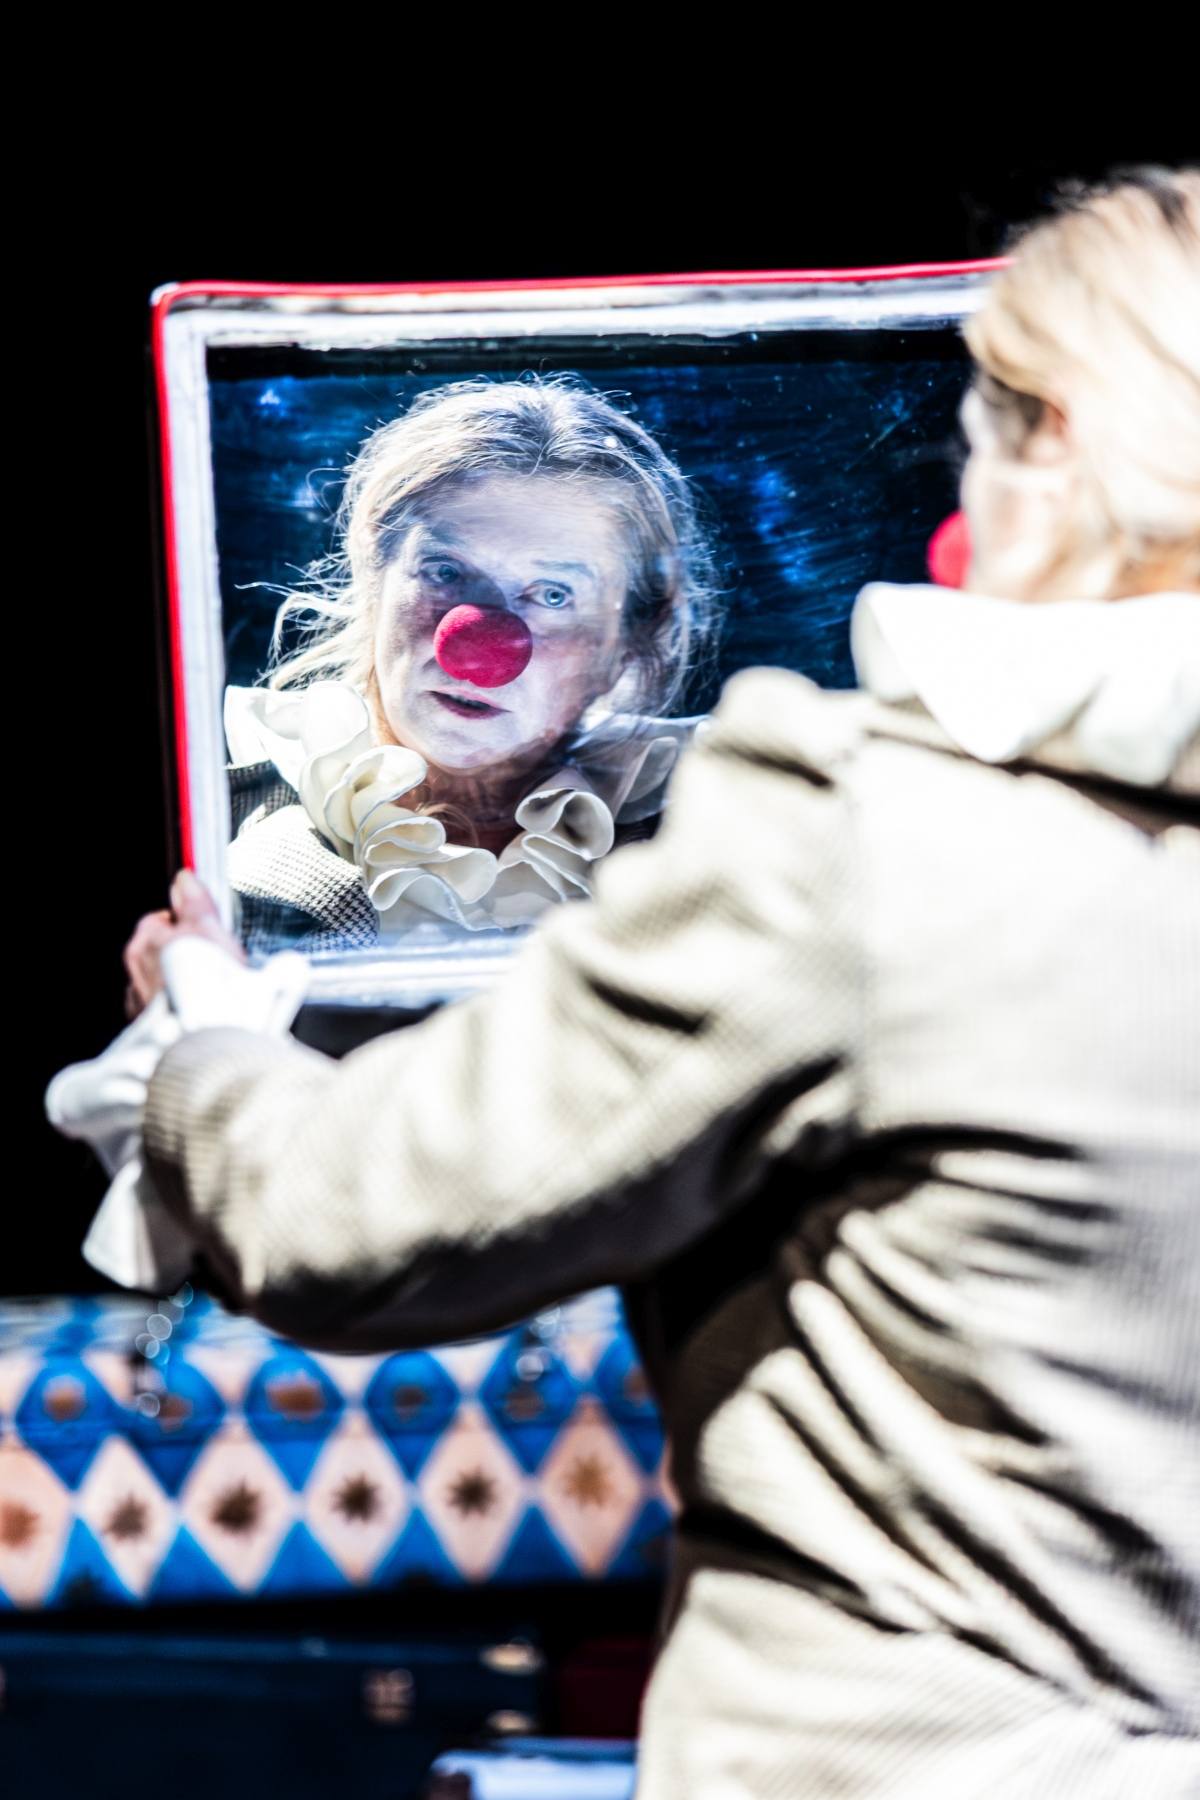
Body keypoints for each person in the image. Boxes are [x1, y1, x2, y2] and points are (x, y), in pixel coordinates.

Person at [75, 169, 1200, 1794]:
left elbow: (352, 1220)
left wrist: (196, 1049)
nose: (482, 632)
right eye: (445, 575)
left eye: (552, 598)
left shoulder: (853, 838)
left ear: (1055, 455)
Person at [222, 375, 718, 952]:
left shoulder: (724, 837)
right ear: (374, 576)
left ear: (626, 644)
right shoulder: (199, 802)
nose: (478, 648)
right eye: (445, 571)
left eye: (553, 594)